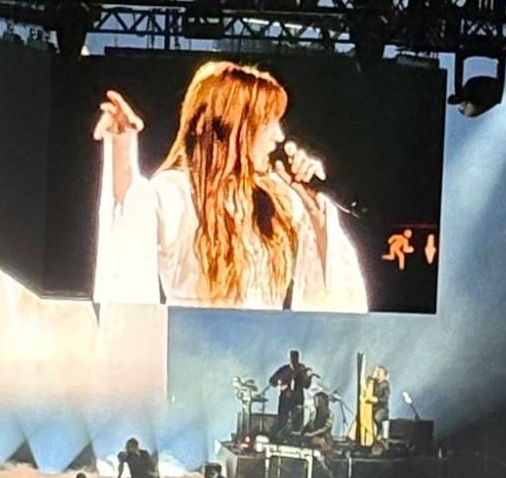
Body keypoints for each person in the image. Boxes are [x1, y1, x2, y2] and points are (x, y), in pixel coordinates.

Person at [93, 60, 367, 310]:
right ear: (232, 126)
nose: (279, 136)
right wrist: (122, 149)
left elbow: (334, 293)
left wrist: (315, 208)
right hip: (193, 341)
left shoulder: (275, 195)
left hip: (267, 342)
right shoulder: (178, 190)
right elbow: (130, 226)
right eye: (267, 123)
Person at [270, 350, 314, 435]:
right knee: (282, 419)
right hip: (285, 399)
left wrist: (309, 378)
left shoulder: (302, 370)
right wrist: (280, 385)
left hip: (297, 399)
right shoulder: (284, 370)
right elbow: (272, 381)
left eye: (295, 358)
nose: (293, 360)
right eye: (292, 358)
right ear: (290, 358)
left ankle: (296, 436)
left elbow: (306, 385)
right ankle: (280, 435)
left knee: (297, 421)